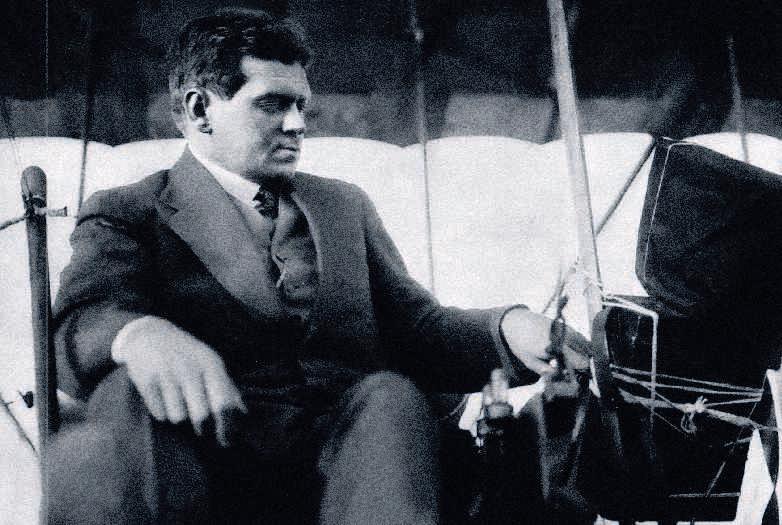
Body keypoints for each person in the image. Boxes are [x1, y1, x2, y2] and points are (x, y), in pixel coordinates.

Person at [47, 8, 589, 524]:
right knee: (126, 395)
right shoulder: (129, 212)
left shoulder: (342, 206)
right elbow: (78, 323)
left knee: (390, 395)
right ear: (199, 110)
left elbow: (419, 330)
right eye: (272, 104)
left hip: (354, 467)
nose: (297, 123)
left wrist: (509, 328)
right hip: (214, 470)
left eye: (302, 106)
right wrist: (139, 335)